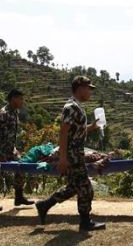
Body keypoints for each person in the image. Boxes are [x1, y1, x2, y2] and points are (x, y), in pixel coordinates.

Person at [35, 76, 106, 231]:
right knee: (86, 188)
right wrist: (62, 159)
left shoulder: (76, 106)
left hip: (75, 153)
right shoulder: (71, 107)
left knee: (75, 187)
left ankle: (44, 205)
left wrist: (91, 127)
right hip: (72, 155)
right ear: (80, 88)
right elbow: (63, 133)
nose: (90, 93)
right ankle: (85, 222)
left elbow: (76, 132)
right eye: (89, 89)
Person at [0, 88, 34, 211]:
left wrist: (14, 150)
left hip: (10, 149)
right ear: (13, 99)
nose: (22, 101)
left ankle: (19, 196)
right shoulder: (4, 113)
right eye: (20, 99)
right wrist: (0, 154)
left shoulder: (14, 112)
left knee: (21, 165)